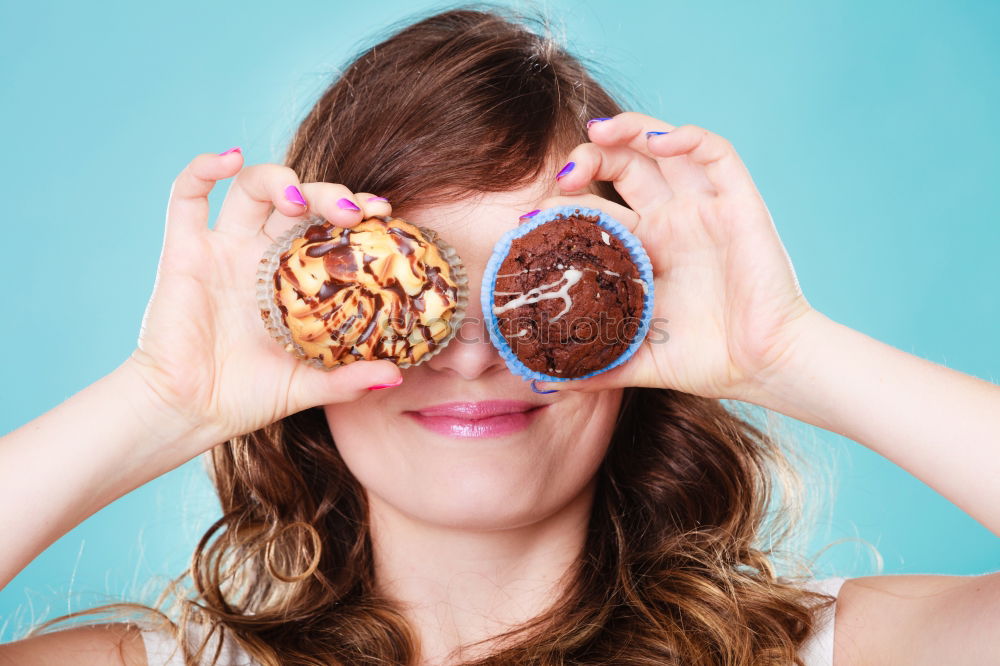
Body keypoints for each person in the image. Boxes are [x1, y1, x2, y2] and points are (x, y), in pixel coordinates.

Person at [1, 7, 998, 666]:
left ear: (643, 312)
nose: (474, 347)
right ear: (310, 337)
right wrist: (162, 399)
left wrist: (785, 349)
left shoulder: (836, 650)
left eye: (549, 289)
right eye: (412, 283)